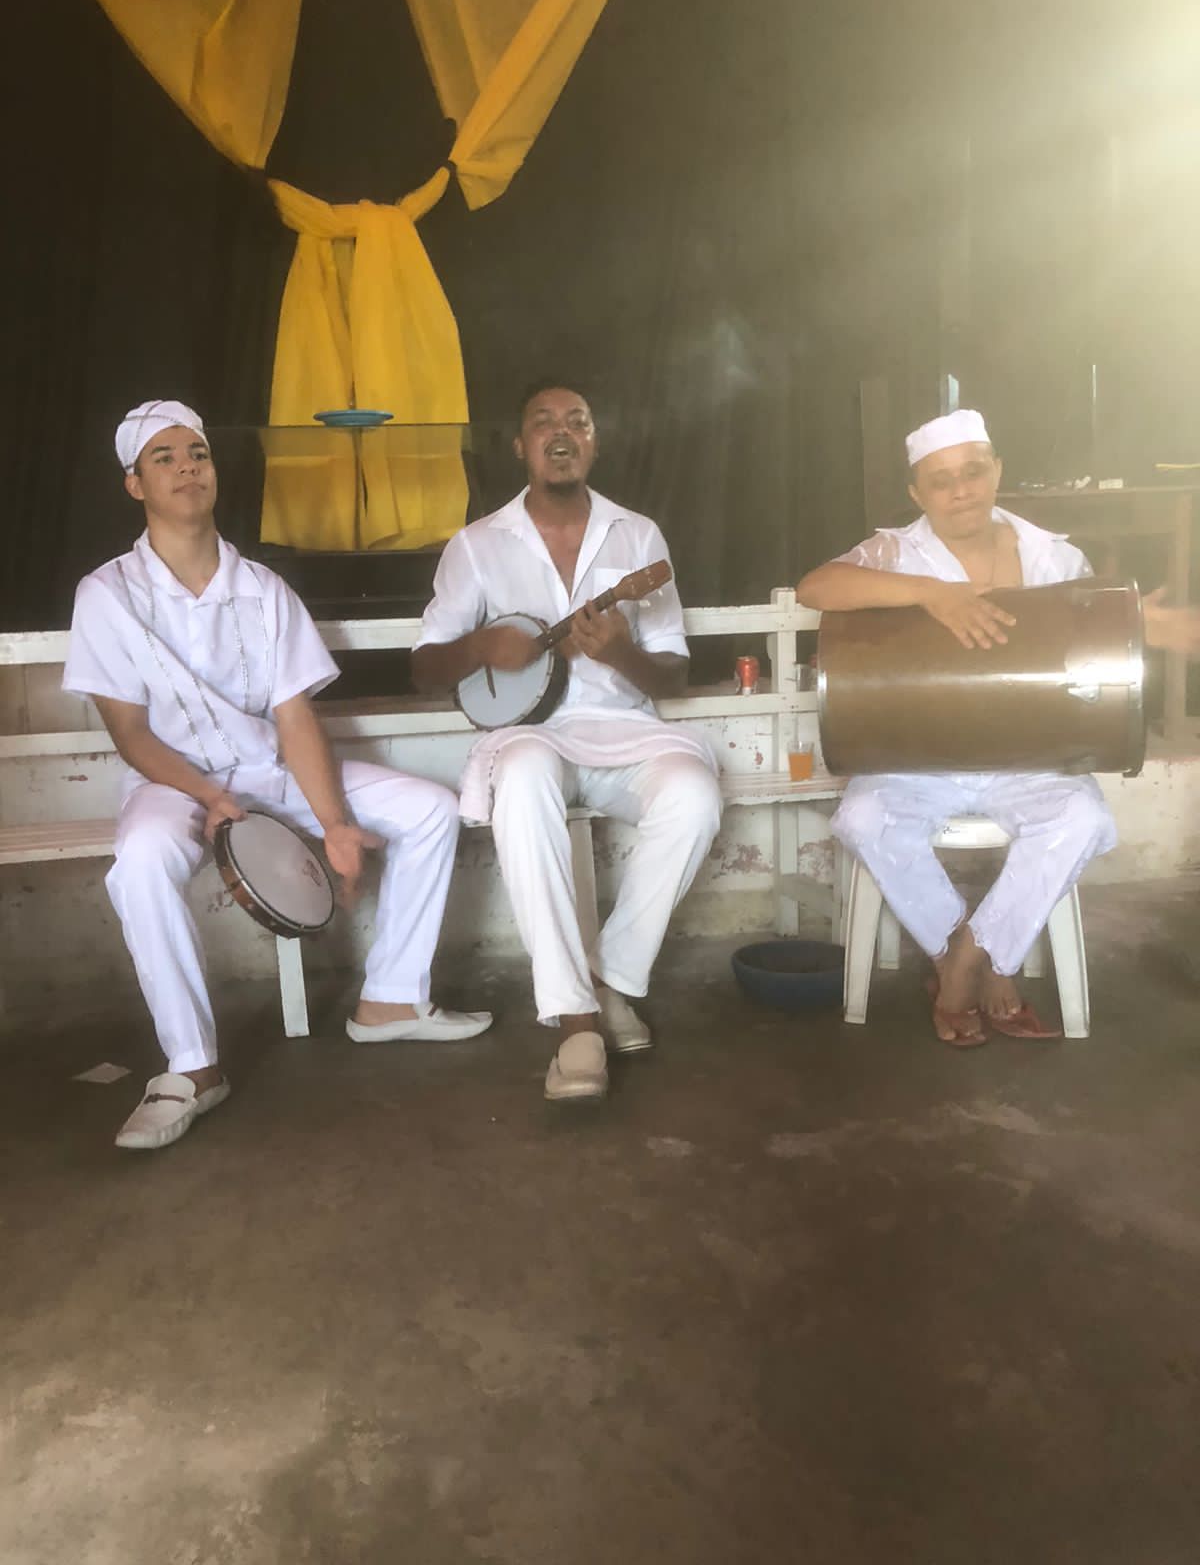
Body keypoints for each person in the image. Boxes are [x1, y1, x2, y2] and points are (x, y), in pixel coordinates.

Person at [64, 400, 490, 1150]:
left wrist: (335, 825)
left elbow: (295, 719)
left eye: (197, 453)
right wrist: (210, 797)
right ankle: (193, 1067)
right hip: (172, 784)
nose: (187, 468)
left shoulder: (262, 589)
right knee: (141, 858)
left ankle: (391, 1001)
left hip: (267, 769)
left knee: (428, 808)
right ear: (135, 484)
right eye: (164, 458)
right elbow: (129, 733)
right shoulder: (107, 594)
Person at [411, 381, 722, 1101]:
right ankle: (577, 1021)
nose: (561, 433)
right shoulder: (476, 545)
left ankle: (611, 980)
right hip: (532, 734)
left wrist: (622, 654)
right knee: (522, 774)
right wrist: (482, 646)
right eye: (543, 422)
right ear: (519, 445)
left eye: (577, 422)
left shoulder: (638, 537)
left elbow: (672, 675)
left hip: (626, 730)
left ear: (593, 442)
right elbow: (424, 667)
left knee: (695, 795)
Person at [796, 408, 1119, 1048]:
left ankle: (970, 958)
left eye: (973, 472)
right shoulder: (896, 552)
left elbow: (1096, 640)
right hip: (920, 759)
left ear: (997, 471)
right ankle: (965, 956)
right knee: (864, 817)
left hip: (1029, 758)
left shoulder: (1053, 555)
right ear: (917, 494)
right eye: (940, 481)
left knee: (1082, 817)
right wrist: (930, 592)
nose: (961, 490)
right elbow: (815, 588)